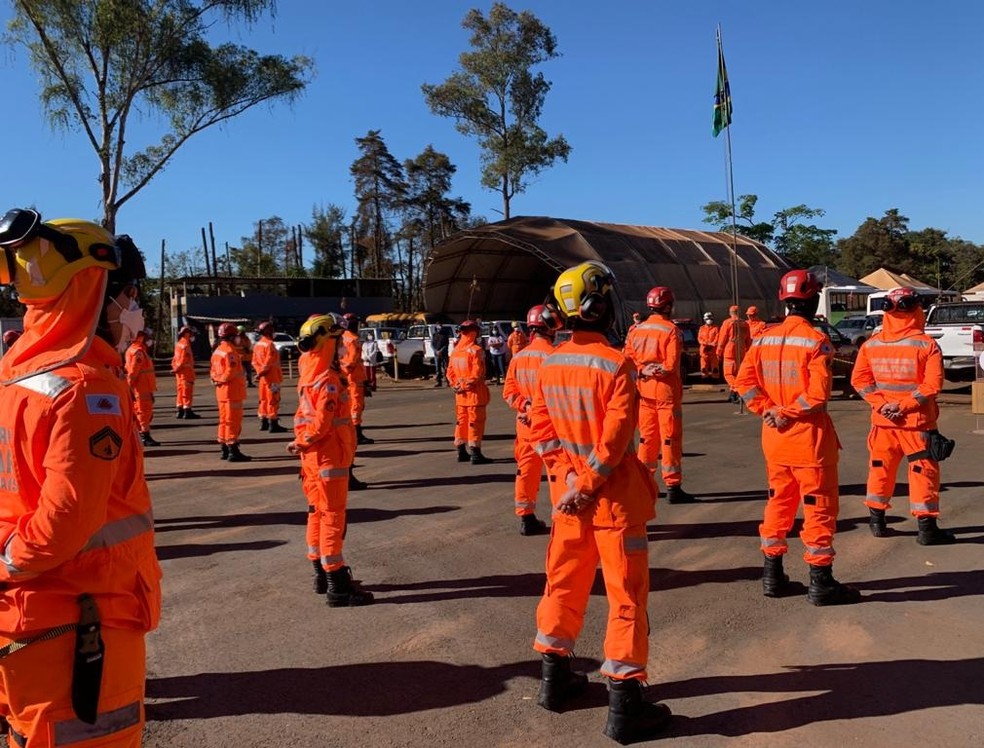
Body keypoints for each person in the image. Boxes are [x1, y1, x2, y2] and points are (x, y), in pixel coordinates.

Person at [0, 208, 162, 746]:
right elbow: (66, 518)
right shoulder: (85, 389)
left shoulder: (17, 376)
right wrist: (11, 561)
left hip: (31, 623)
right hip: (81, 625)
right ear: (95, 290)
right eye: (128, 294)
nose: (133, 307)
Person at [529, 261, 671, 743]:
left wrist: (569, 479)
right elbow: (614, 441)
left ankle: (554, 680)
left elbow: (542, 433)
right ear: (596, 306)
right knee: (626, 597)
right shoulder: (616, 364)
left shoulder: (550, 363)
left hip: (569, 500)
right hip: (611, 502)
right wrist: (587, 482)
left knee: (563, 584)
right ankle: (625, 705)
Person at [735, 269, 860, 606]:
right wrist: (786, 412)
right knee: (818, 509)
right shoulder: (816, 341)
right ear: (814, 299)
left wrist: (767, 410)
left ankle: (772, 575)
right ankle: (821, 582)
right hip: (809, 443)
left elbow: (743, 383)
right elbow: (817, 396)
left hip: (776, 440)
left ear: (784, 301)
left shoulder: (763, 339)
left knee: (778, 504)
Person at [851, 287, 956, 545]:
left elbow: (860, 381)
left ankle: (877, 521)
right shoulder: (926, 345)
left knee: (880, 470)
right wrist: (903, 406)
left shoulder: (871, 345)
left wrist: (882, 405)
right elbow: (932, 386)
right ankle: (927, 529)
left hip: (883, 423)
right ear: (916, 310)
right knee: (922, 473)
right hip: (917, 424)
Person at [289, 313, 373, 606]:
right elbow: (322, 424)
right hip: (329, 459)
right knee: (333, 517)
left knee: (316, 513)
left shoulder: (309, 375)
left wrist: (302, 443)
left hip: (313, 460)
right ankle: (338, 584)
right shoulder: (327, 380)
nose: (341, 347)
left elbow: (305, 420)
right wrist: (303, 441)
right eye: (337, 342)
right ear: (327, 343)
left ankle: (322, 575)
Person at [623, 286, 695, 503]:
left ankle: (644, 484)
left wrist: (643, 370)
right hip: (666, 393)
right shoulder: (671, 330)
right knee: (670, 439)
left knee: (647, 439)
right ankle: (673, 486)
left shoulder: (636, 330)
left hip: (644, 391)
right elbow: (671, 365)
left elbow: (626, 360)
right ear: (668, 306)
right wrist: (657, 369)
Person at [502, 305, 557, 536]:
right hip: (549, 425)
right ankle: (563, 518)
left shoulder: (519, 357)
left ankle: (526, 516)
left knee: (526, 469)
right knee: (556, 471)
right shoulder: (554, 357)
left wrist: (525, 406)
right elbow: (558, 396)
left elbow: (509, 392)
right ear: (551, 328)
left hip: (525, 425)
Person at [447, 320, 492, 464]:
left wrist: (457, 386)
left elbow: (450, 373)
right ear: (474, 332)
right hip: (474, 395)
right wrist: (465, 385)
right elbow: (477, 374)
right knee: (475, 423)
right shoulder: (476, 350)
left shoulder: (455, 351)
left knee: (461, 422)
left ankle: (461, 451)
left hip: (460, 396)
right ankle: (475, 452)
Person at [210, 322, 251, 462]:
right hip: (232, 392)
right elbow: (230, 371)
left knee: (224, 420)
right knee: (233, 421)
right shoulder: (230, 352)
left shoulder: (217, 351)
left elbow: (213, 370)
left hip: (222, 392)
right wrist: (222, 380)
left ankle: (224, 448)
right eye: (236, 336)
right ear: (232, 337)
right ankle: (233, 449)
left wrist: (217, 380)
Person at [125, 327, 160, 447]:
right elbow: (133, 371)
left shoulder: (136, 350)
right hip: (141, 388)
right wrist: (129, 387)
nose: (149, 340)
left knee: (142, 412)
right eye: (147, 337)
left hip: (143, 387)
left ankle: (142, 434)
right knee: (144, 412)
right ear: (140, 337)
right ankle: (144, 435)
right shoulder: (138, 352)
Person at [341, 314, 373, 447]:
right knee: (356, 405)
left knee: (348, 405)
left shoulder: (341, 338)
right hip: (354, 378)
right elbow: (353, 360)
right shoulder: (353, 339)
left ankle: (351, 431)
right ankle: (356, 433)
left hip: (346, 377)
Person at [252, 321, 287, 433]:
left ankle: (264, 422)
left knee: (263, 399)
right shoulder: (269, 345)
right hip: (272, 378)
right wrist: (262, 372)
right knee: (273, 399)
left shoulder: (258, 345)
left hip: (263, 379)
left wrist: (259, 373)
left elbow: (254, 361)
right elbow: (269, 362)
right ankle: (273, 422)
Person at [717, 304, 751, 403]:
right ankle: (733, 394)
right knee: (738, 374)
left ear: (730, 313)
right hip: (741, 351)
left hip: (730, 350)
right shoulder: (745, 323)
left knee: (729, 374)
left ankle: (737, 390)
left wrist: (719, 352)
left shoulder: (728, 323)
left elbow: (722, 339)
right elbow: (748, 341)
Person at [171, 324, 202, 419]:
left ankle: (180, 410)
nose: (192, 335)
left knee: (180, 391)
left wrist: (175, 368)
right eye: (191, 333)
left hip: (179, 373)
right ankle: (187, 410)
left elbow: (174, 358)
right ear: (187, 333)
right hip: (186, 372)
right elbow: (183, 360)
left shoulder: (178, 344)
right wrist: (178, 368)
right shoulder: (185, 345)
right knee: (187, 391)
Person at [697, 312, 719, 379]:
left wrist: (712, 344)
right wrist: (706, 344)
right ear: (705, 319)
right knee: (703, 366)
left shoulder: (716, 328)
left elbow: (717, 338)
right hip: (704, 350)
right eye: (707, 319)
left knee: (715, 366)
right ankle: (704, 377)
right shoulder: (701, 328)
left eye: (710, 319)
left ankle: (715, 377)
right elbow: (699, 339)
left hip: (713, 350)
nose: (709, 320)